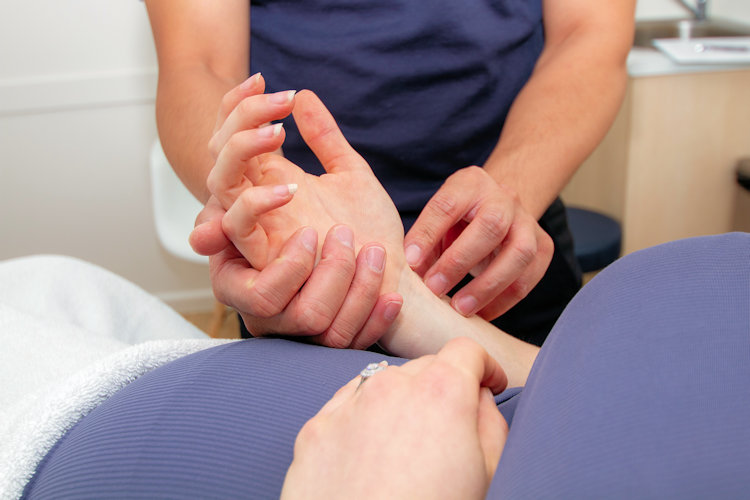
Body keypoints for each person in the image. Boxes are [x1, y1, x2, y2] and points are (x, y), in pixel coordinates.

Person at [4, 97, 748, 496]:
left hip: (50, 431)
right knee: (48, 286)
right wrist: (404, 303)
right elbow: (596, 395)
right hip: (114, 362)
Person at [143, 0, 636, 346]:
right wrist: (262, 196)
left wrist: (512, 191)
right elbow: (195, 63)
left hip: (507, 239)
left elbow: (591, 34)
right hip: (303, 242)